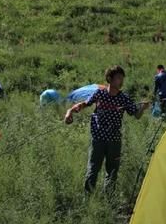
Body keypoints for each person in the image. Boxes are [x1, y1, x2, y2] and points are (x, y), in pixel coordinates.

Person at [64, 65, 150, 196]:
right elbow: (84, 104)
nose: (121, 82)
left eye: (122, 79)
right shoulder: (100, 94)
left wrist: (142, 108)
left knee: (112, 172)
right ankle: (88, 198)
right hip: (98, 139)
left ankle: (108, 200)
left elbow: (136, 115)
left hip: (114, 141)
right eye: (118, 78)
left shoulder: (124, 98)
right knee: (93, 169)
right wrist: (69, 112)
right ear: (109, 79)